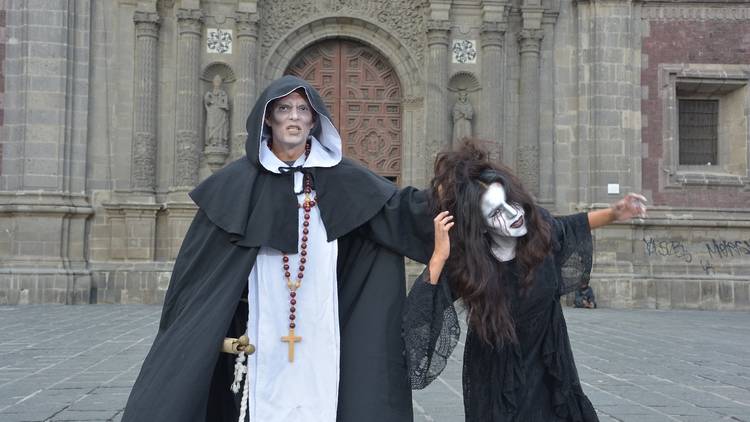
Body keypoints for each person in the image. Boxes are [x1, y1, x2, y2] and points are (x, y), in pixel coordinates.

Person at [122, 76, 433, 422]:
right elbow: (200, 277)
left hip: (322, 321)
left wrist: (469, 195)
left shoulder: (345, 178)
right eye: (284, 108)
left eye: (303, 109)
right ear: (268, 118)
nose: (294, 117)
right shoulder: (235, 186)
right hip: (261, 325)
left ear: (315, 121)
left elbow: (399, 211)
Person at [403, 140, 647, 422]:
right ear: (479, 226)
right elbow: (421, 319)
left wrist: (615, 213)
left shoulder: (540, 231)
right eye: (495, 213)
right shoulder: (471, 266)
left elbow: (570, 225)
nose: (512, 214)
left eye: (510, 200)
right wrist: (438, 258)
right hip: (497, 377)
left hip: (549, 361)